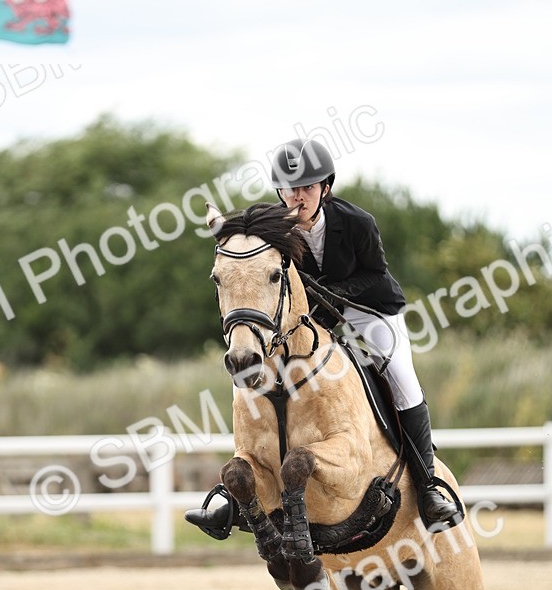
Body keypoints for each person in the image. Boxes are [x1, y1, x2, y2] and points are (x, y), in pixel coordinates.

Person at [187, 136, 462, 536]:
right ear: (279, 190)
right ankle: (235, 492)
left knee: (402, 378)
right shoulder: (274, 228)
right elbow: (243, 245)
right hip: (310, 320)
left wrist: (337, 296)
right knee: (258, 374)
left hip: (369, 311)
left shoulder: (357, 222)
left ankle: (428, 486)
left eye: (307, 188)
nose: (297, 196)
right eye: (290, 188)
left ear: (325, 188)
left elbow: (375, 273)